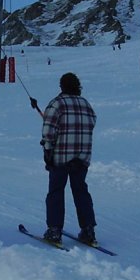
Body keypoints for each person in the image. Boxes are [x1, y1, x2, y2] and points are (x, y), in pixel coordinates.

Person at [36, 72, 97, 246]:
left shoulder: (57, 104)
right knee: (81, 191)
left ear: (62, 86)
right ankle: (88, 230)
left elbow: (48, 132)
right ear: (78, 86)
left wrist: (48, 151)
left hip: (61, 157)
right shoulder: (86, 104)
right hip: (82, 157)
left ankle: (55, 230)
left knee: (56, 191)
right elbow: (92, 123)